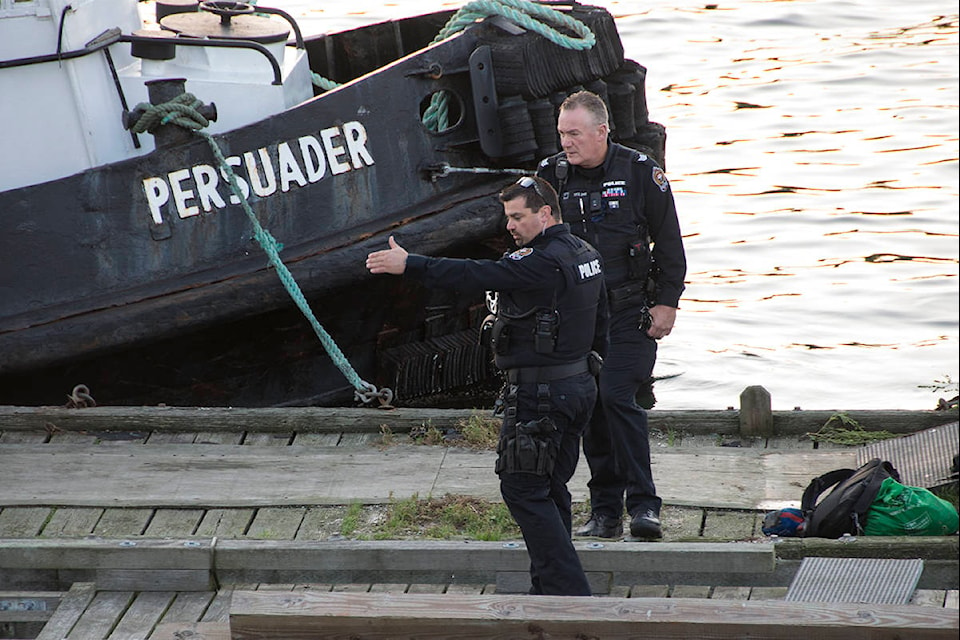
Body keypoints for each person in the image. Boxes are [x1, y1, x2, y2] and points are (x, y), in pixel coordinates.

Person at [366, 176, 607, 596]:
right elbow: (602, 320)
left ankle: (569, 592)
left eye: (518, 217)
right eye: (507, 217)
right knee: (549, 488)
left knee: (522, 488)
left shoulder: (542, 261)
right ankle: (549, 586)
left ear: (545, 214)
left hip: (542, 396)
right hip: (577, 386)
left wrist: (412, 264)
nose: (510, 226)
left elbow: (478, 273)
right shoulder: (584, 253)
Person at [537, 90, 686, 540]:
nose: (567, 142)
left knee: (618, 397)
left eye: (575, 133)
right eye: (562, 133)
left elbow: (671, 244)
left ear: (602, 131)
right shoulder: (550, 176)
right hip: (577, 317)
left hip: (629, 311)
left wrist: (668, 302)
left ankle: (644, 506)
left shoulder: (640, 173)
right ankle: (604, 512)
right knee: (589, 409)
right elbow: (531, 242)